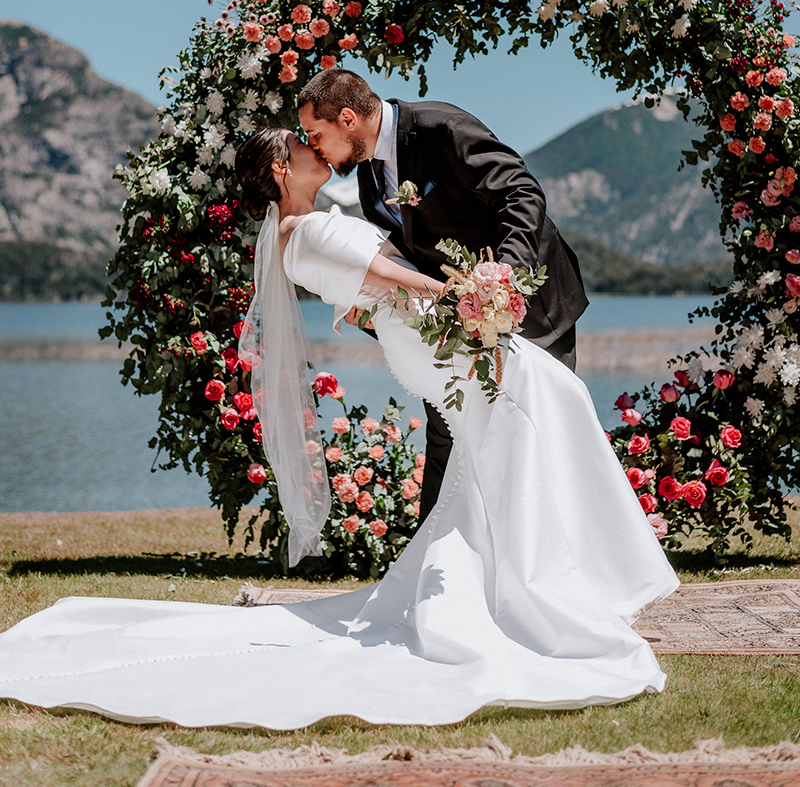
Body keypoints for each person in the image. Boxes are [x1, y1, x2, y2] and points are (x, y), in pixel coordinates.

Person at [0, 126, 678, 729]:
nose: (311, 146)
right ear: (278, 170)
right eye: (299, 145)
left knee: (514, 423)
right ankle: (538, 584)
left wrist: (379, 303)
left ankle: (535, 577)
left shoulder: (298, 233)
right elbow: (392, 276)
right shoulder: (308, 230)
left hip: (417, 338)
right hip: (430, 331)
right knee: (539, 395)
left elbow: (358, 285)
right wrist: (474, 297)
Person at [298, 68, 589, 521]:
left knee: (545, 431)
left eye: (315, 134)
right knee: (446, 434)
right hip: (458, 328)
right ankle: (431, 571)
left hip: (533, 309)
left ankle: (567, 554)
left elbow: (522, 194)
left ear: (348, 119)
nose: (313, 146)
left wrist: (502, 277)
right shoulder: (368, 177)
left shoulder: (443, 128)